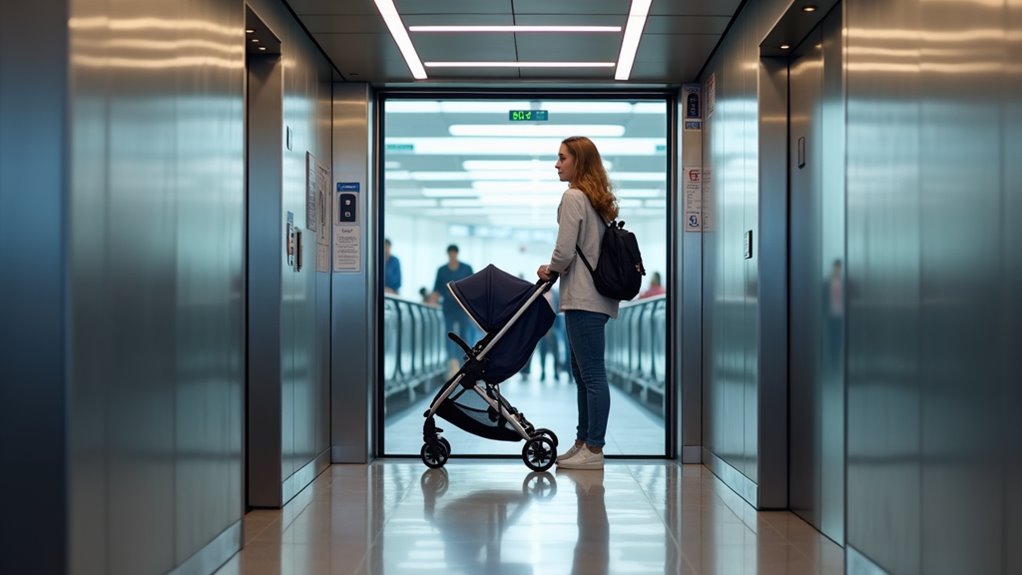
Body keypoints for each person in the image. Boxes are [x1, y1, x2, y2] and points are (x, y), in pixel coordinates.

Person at [537, 136, 620, 470]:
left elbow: (565, 250)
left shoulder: (573, 196)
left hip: (583, 299)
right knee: (583, 374)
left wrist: (550, 269)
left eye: (562, 158)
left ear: (578, 162)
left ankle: (594, 449)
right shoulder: (596, 202)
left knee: (591, 375)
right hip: (593, 299)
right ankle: (583, 442)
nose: (556, 164)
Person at [428, 244, 477, 375]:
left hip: (462, 307)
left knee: (465, 335)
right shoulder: (442, 270)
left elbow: (472, 286)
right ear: (448, 254)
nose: (452, 256)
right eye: (450, 253)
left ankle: (466, 362)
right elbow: (437, 289)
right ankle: (453, 362)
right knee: (449, 335)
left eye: (454, 253)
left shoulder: (466, 269)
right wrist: (431, 301)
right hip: (448, 307)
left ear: (457, 254)